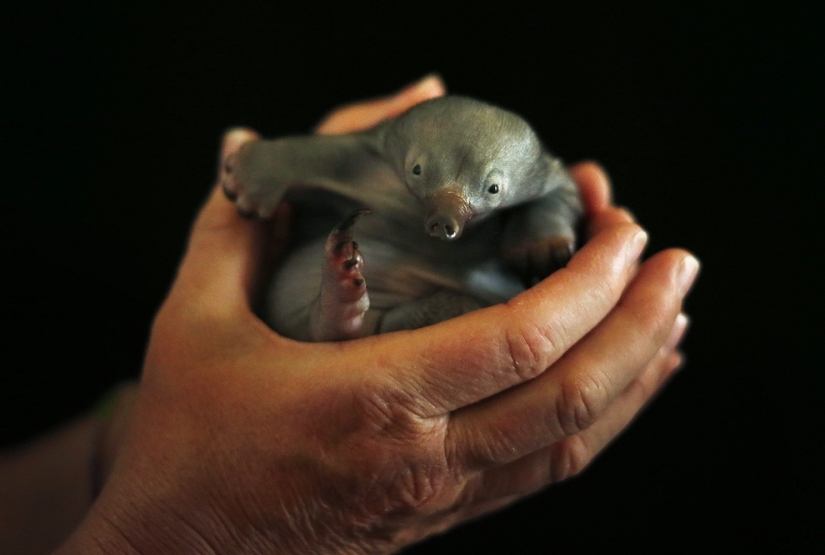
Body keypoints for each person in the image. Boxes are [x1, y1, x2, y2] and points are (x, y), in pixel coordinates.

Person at [1, 75, 698, 554]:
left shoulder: (537, 178)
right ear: (401, 149)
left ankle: (352, 319)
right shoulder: (375, 150)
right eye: (427, 178)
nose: (448, 212)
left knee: (450, 313)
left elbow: (554, 197)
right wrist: (189, 528)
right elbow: (294, 160)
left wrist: (139, 441)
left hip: (447, 308)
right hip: (345, 272)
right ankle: (339, 315)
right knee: (311, 287)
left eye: (484, 192)